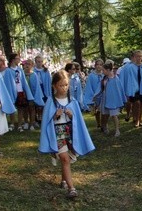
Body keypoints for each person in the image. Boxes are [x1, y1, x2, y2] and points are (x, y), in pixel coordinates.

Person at [39, 70, 95, 199]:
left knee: (67, 159)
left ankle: (64, 179)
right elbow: (46, 121)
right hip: (58, 133)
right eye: (60, 85)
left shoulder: (72, 101)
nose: (64, 88)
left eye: (66, 85)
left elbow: (78, 120)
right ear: (54, 86)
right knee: (64, 158)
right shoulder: (50, 102)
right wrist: (55, 116)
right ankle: (72, 188)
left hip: (70, 132)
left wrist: (71, 116)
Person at [96, 60, 125, 137]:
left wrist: (120, 100)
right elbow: (101, 88)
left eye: (103, 70)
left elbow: (119, 90)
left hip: (113, 100)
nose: (102, 72)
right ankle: (105, 127)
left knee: (114, 115)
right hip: (105, 99)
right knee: (105, 114)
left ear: (108, 70)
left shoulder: (115, 79)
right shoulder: (105, 78)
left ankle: (117, 130)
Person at [119, 50, 142, 128]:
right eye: (137, 56)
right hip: (134, 88)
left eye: (140, 56)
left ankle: (138, 120)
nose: (139, 58)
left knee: (140, 104)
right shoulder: (130, 67)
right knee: (137, 103)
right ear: (134, 57)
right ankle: (136, 120)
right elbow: (127, 78)